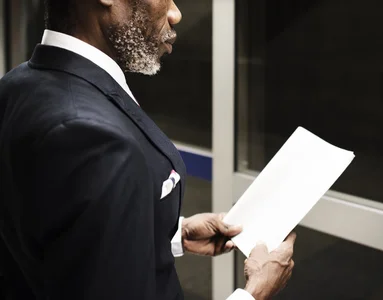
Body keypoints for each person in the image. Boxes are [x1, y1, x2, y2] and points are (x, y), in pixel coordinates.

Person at [0, 0, 295, 299]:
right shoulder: (96, 138)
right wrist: (255, 292)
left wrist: (171, 233)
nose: (176, 13)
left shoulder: (14, 87)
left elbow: (51, 231)